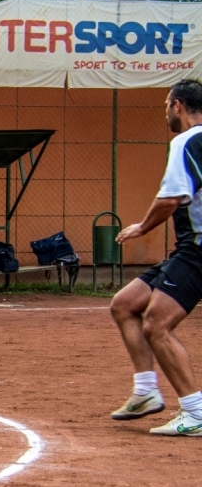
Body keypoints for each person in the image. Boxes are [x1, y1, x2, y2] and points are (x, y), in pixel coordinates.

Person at [109, 79, 202, 436]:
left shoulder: (185, 141)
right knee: (125, 303)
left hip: (197, 250)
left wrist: (141, 228)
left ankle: (194, 411)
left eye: (166, 105)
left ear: (177, 105)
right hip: (187, 250)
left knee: (156, 325)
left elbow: (170, 199)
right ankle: (146, 391)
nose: (165, 112)